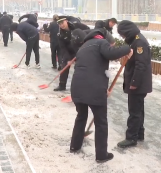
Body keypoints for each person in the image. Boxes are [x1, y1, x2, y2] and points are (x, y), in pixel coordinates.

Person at [69, 29, 132, 163]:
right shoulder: (101, 42)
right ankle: (101, 155)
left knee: (81, 116)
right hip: (94, 90)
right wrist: (127, 48)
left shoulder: (84, 46)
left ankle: (74, 146)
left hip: (77, 88)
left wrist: (104, 88)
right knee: (101, 122)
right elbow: (110, 54)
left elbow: (94, 68)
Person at [116, 20, 152, 148]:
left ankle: (131, 138)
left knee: (134, 111)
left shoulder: (139, 42)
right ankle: (139, 134)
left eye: (122, 34)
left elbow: (140, 65)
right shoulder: (135, 40)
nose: (122, 37)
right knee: (138, 110)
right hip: (138, 83)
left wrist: (134, 83)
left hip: (138, 83)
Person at [54, 16, 90, 91]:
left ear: (66, 21)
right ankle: (62, 85)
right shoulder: (60, 35)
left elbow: (88, 30)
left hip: (81, 49)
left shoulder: (77, 25)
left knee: (80, 68)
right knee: (64, 66)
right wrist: (68, 59)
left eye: (62, 22)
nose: (62, 25)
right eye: (59, 24)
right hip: (70, 52)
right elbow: (63, 48)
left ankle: (81, 87)